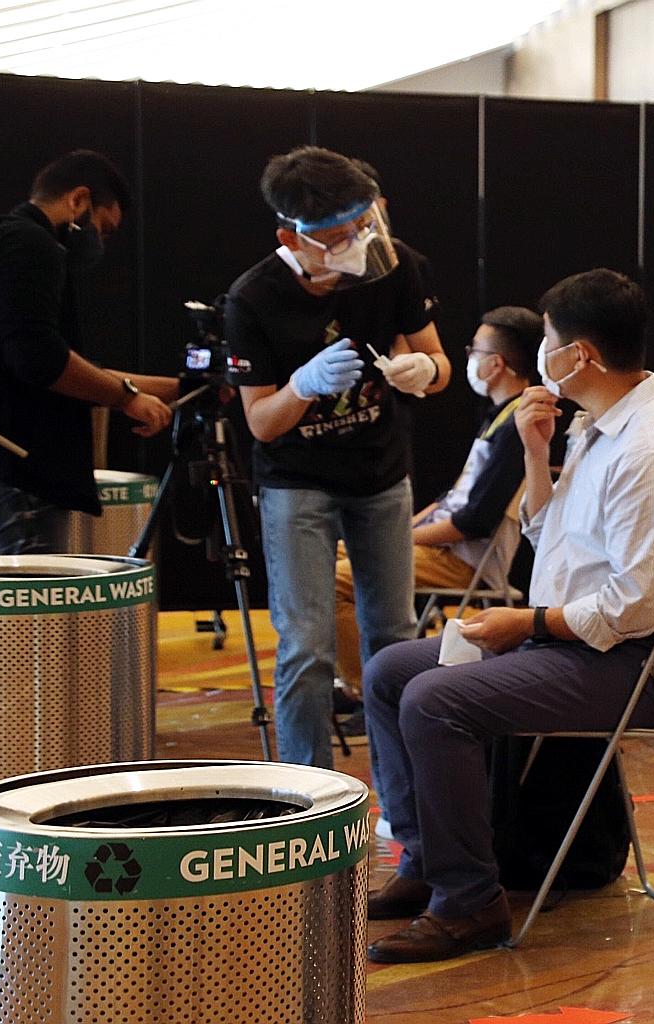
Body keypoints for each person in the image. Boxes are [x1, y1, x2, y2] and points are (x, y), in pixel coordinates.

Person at [360, 268, 654, 962]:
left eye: (549, 341)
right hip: (566, 640)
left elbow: (636, 607)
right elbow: (547, 537)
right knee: (389, 673)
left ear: (579, 354)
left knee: (433, 702)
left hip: (623, 663)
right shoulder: (593, 426)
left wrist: (525, 625)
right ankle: (426, 862)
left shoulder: (648, 448)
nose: (541, 356)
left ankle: (469, 903)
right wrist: (535, 454)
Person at [225, 145, 451, 768]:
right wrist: (303, 385)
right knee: (305, 645)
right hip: (297, 483)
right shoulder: (252, 299)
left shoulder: (395, 266)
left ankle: (403, 787)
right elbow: (261, 424)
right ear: (291, 236)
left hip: (380, 474)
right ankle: (308, 796)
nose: (354, 243)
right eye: (336, 236)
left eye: (362, 226)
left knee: (395, 636)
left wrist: (422, 369)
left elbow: (441, 369)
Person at [0, 149, 175, 555]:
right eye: (104, 229)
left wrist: (176, 387)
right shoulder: (31, 244)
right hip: (15, 468)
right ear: (79, 200)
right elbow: (41, 359)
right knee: (29, 611)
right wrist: (126, 399)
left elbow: (59, 360)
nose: (101, 243)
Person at [331, 305, 541, 699]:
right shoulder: (500, 416)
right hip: (444, 549)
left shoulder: (519, 424)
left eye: (473, 351)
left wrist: (401, 539)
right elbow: (452, 499)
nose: (467, 359)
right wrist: (404, 529)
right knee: (337, 552)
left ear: (496, 364)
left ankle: (365, 690)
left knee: (332, 583)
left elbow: (473, 521)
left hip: (462, 562)